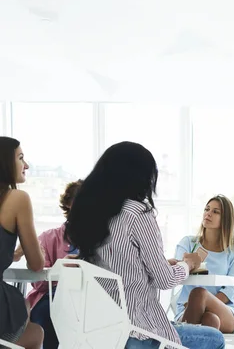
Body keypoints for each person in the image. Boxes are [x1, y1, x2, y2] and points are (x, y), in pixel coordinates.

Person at [64, 141, 225, 349]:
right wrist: (188, 264)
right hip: (139, 331)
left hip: (100, 331)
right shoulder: (138, 213)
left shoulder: (93, 212)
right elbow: (165, 280)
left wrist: (154, 265)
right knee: (216, 339)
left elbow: (116, 264)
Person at [13, 180, 83, 349]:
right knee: (50, 310)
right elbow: (38, 282)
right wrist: (60, 268)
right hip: (51, 301)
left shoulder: (101, 241)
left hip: (87, 300)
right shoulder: (49, 237)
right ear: (68, 204)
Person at [174, 195, 234, 334]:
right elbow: (176, 273)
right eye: (207, 209)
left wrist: (206, 303)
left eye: (216, 212)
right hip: (188, 308)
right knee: (210, 320)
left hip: (225, 308)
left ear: (226, 219)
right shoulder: (188, 243)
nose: (208, 213)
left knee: (199, 294)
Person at [0, 137, 45, 349]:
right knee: (34, 329)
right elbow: (37, 264)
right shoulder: (17, 198)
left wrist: (11, 254)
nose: (25, 165)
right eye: (20, 158)